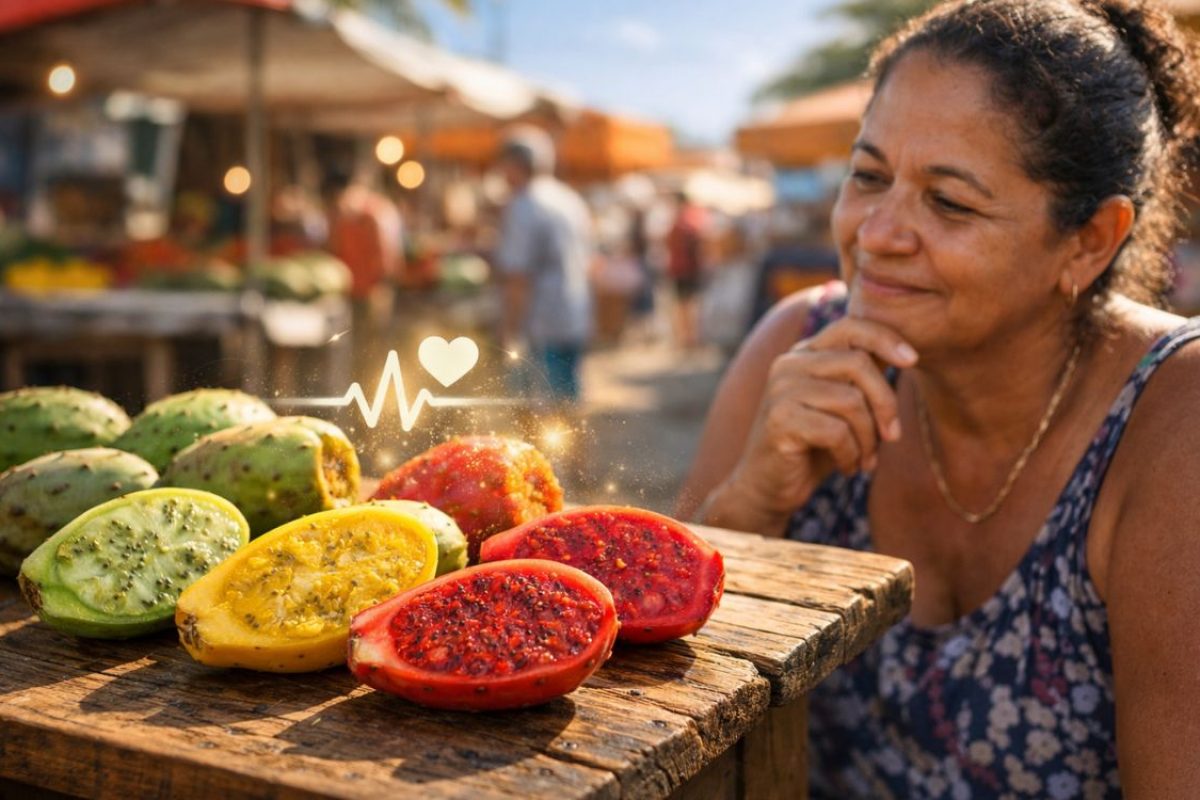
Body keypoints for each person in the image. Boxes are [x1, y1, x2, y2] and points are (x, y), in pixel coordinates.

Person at [675, 1, 1200, 796]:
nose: (877, 233)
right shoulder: (796, 345)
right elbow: (656, 720)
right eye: (868, 176)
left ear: (1090, 239)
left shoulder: (1173, 415)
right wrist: (749, 507)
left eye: (949, 202)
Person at [493, 126, 594, 408]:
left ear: (515, 165)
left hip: (541, 322)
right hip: (574, 312)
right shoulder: (569, 199)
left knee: (539, 412)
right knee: (569, 402)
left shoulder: (524, 205)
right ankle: (577, 454)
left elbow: (517, 277)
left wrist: (508, 330)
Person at [665, 188, 710, 348]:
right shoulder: (688, 219)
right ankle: (688, 337)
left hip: (685, 268)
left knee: (686, 304)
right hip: (684, 267)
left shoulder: (685, 220)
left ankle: (688, 337)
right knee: (686, 304)